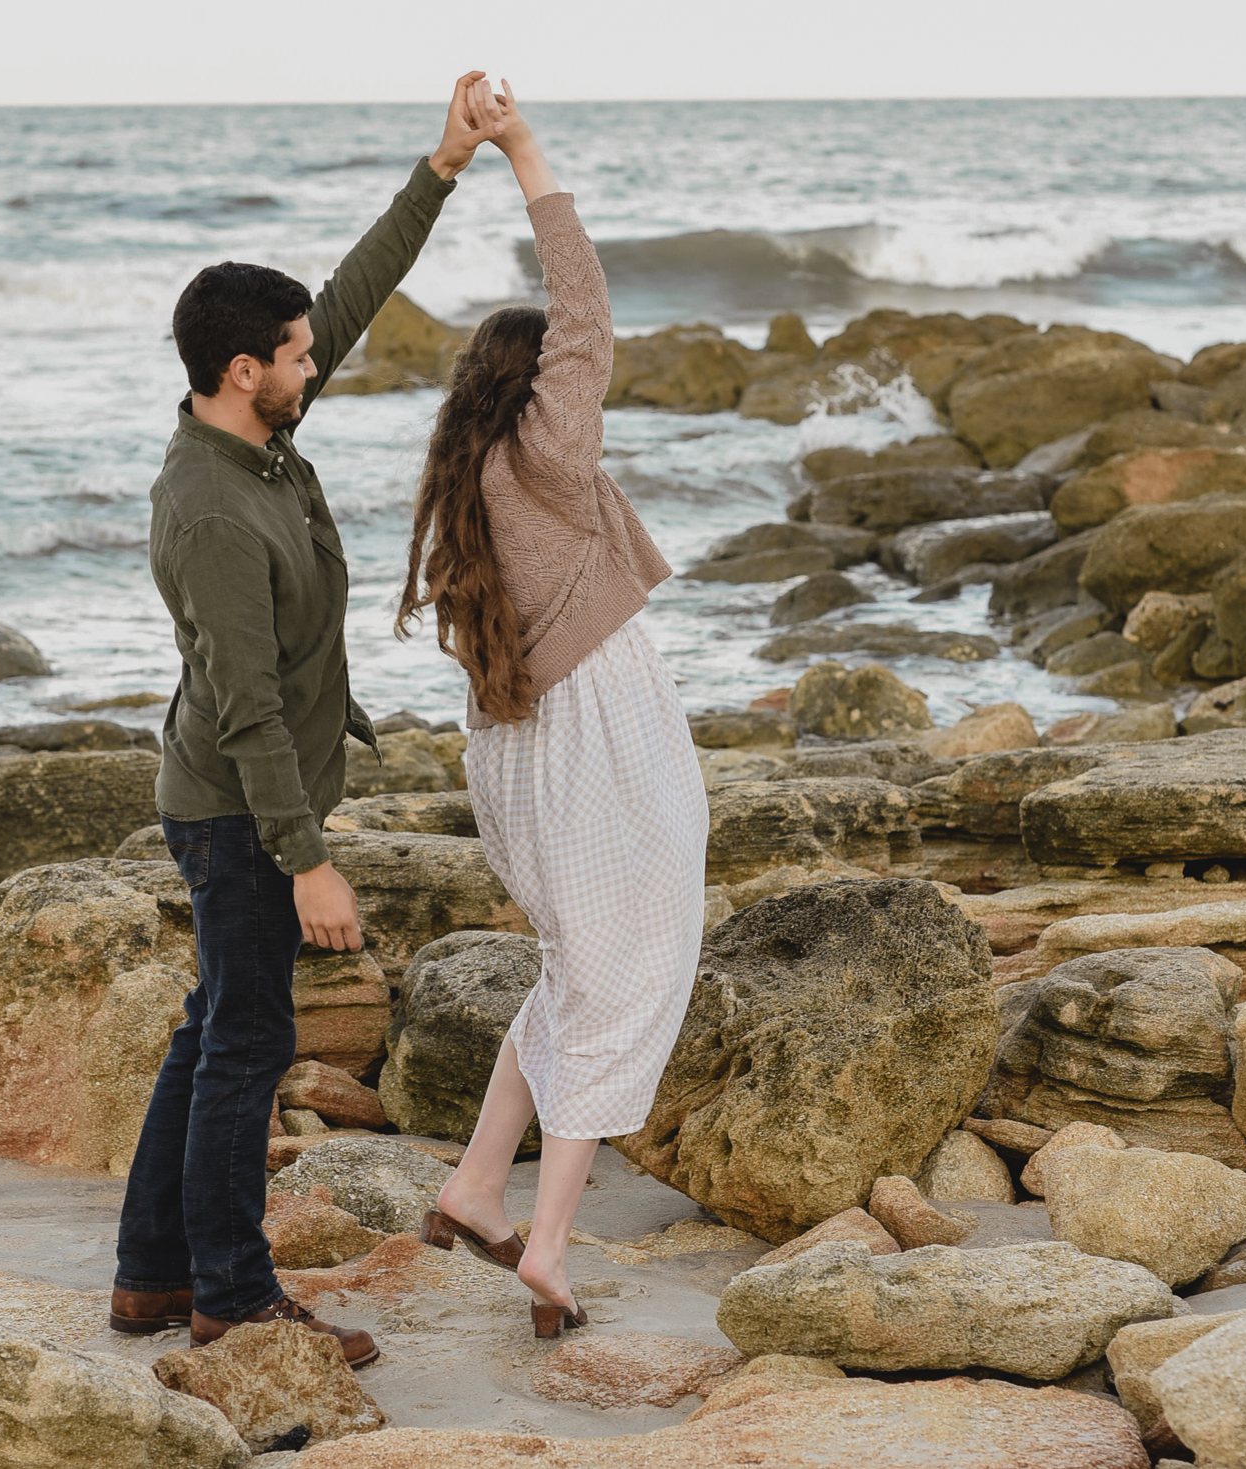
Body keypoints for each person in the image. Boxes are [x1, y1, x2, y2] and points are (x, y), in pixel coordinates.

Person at [109, 73, 506, 1366]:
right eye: (292, 356)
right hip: (233, 811)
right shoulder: (215, 506)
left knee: (212, 1025)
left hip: (236, 800)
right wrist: (308, 854)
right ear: (242, 371)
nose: (313, 362)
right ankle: (231, 1292)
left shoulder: (256, 439)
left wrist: (441, 167)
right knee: (249, 1044)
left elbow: (346, 297)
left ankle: (150, 1275)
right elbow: (241, 705)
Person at [396, 82, 710, 1340]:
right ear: (541, 392)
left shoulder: (470, 481)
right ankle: (550, 1241)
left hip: (517, 748)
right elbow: (586, 303)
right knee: (629, 972)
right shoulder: (550, 453)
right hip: (602, 728)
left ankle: (478, 1185)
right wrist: (522, 151)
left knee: (577, 966)